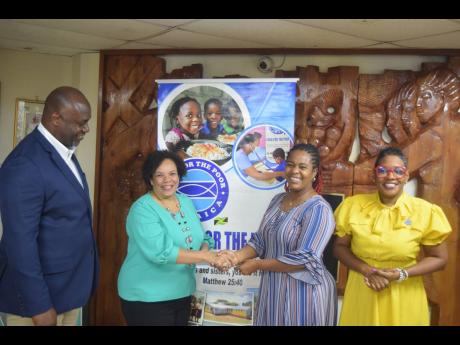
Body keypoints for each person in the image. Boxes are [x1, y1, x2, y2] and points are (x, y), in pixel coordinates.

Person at [0, 86, 99, 326]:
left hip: (67, 292)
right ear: (56, 118)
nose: (86, 129)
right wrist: (40, 306)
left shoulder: (63, 152)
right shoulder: (25, 164)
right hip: (36, 306)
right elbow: (19, 243)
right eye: (80, 123)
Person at [217, 143, 337, 326]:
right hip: (273, 290)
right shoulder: (277, 200)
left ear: (314, 173)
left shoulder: (318, 209)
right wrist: (235, 257)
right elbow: (260, 241)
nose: (294, 171)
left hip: (304, 295)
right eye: (290, 164)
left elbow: (306, 257)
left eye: (302, 167)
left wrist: (258, 265)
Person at [333, 147, 452, 326]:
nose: (390, 177)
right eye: (382, 170)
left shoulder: (425, 211)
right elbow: (339, 248)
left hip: (405, 290)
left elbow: (440, 259)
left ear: (406, 176)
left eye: (398, 171)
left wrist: (402, 274)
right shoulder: (353, 206)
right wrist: (367, 270)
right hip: (364, 286)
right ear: (374, 176)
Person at [117, 150, 224, 326]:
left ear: (179, 176)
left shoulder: (185, 202)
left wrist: (205, 249)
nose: (168, 180)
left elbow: (202, 237)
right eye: (160, 175)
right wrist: (207, 257)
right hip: (147, 297)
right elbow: (161, 252)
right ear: (151, 179)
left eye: (172, 173)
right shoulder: (142, 209)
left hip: (182, 292)